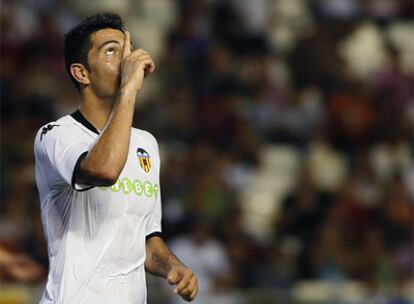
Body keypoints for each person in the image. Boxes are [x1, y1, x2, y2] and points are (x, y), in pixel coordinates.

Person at [34, 13, 198, 303]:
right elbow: (105, 169)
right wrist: (129, 89)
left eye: (128, 49)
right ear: (81, 73)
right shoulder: (56, 135)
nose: (126, 59)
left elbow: (146, 240)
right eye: (112, 50)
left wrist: (174, 266)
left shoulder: (146, 143)